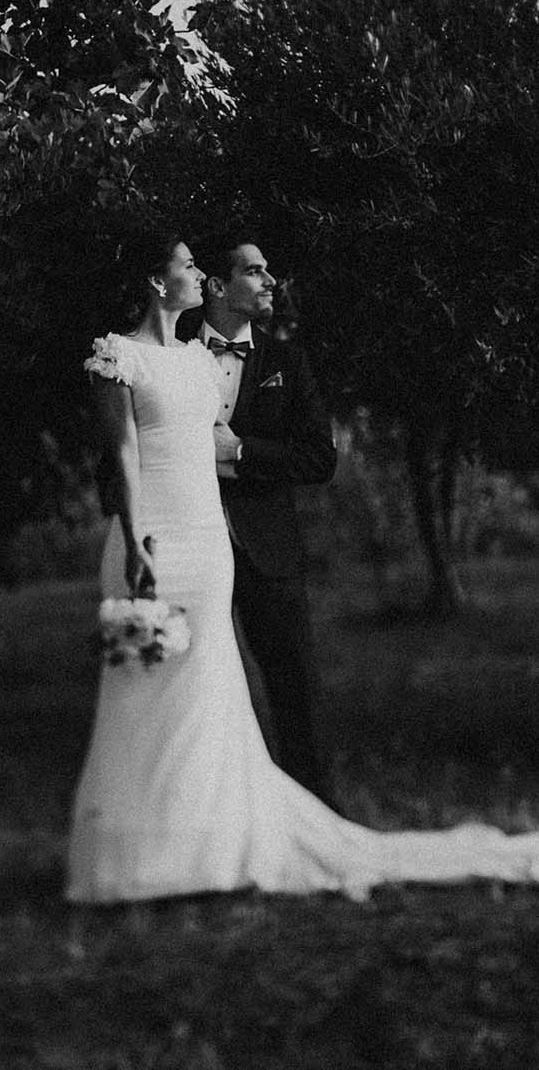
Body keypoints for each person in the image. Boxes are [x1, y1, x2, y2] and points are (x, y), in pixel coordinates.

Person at [66, 233, 539, 904]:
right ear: (181, 281)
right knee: (158, 685)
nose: (255, 278)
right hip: (167, 535)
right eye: (220, 267)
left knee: (252, 688)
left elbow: (315, 456)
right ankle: (155, 844)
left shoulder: (246, 360)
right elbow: (127, 452)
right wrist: (136, 533)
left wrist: (240, 452)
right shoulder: (145, 353)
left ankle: (260, 829)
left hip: (235, 544)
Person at [178, 236, 337, 805]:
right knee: (191, 685)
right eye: (254, 271)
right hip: (189, 546)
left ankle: (316, 812)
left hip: (267, 549)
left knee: (294, 683)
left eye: (268, 270)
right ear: (217, 286)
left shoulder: (287, 362)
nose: (270, 281)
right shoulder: (171, 352)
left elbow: (320, 458)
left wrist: (241, 452)